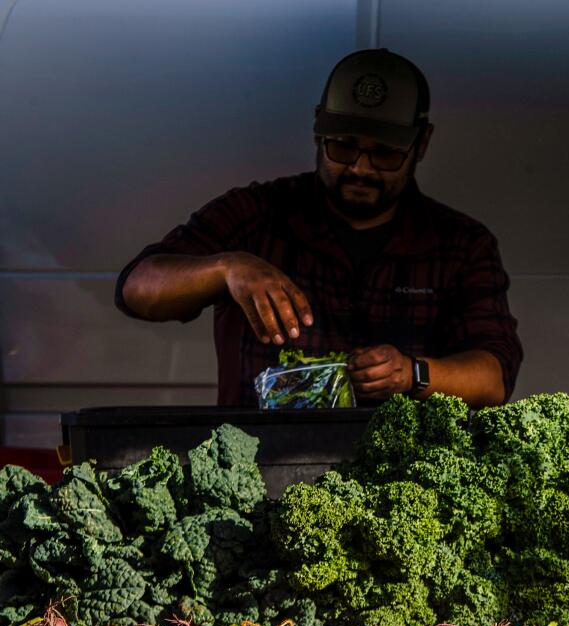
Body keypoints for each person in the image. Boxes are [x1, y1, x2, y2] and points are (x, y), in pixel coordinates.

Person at [116, 49, 522, 408]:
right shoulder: (257, 215)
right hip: (260, 476)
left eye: (384, 154)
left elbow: (493, 377)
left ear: (422, 144)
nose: (360, 168)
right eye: (343, 146)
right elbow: (136, 289)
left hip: (398, 478)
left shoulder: (461, 245)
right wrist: (226, 269)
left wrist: (412, 374)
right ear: (318, 128)